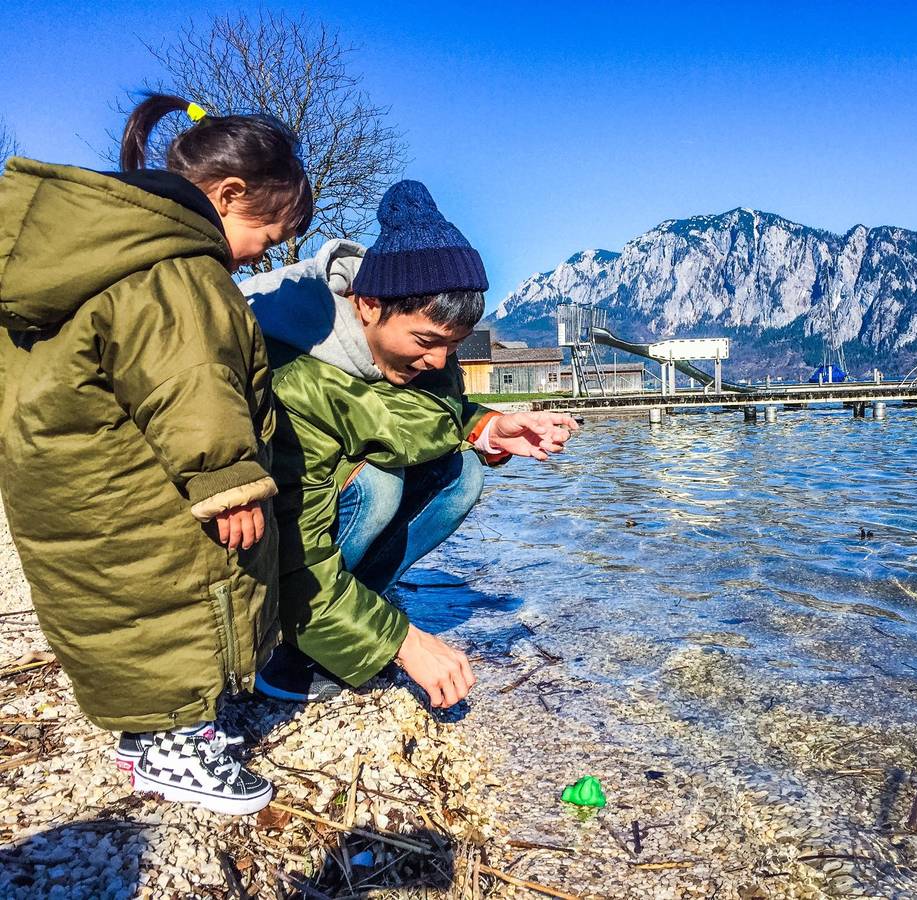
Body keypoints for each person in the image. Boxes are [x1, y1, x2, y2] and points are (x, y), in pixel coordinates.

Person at [0, 94, 312, 815]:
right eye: (268, 231)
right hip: (143, 488)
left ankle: (147, 735)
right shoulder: (178, 270)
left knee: (118, 601)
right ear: (228, 195)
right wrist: (228, 476)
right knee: (178, 595)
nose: (267, 251)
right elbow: (189, 378)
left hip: (80, 479)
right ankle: (179, 748)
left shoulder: (90, 258)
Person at [239, 181, 578, 708]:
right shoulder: (292, 367)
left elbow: (424, 414)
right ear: (369, 305)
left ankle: (360, 612)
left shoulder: (417, 350)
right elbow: (294, 550)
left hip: (309, 531)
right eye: (426, 342)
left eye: (454, 345)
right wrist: (402, 644)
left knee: (462, 474)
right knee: (376, 485)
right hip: (267, 555)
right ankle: (290, 651)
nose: (441, 362)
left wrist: (487, 427)